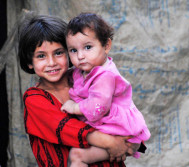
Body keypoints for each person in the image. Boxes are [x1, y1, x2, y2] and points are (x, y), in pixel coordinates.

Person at [18, 14, 144, 167]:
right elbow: (67, 129)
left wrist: (130, 140)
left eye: (58, 53)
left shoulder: (86, 81)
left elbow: (120, 111)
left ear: (70, 53)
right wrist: (111, 142)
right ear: (29, 62)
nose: (51, 63)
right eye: (41, 56)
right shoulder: (34, 98)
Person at [61, 12, 151, 166]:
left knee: (77, 155)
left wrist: (75, 107)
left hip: (120, 132)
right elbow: (73, 79)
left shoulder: (105, 76)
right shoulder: (82, 70)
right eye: (73, 50)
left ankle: (128, 146)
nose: (80, 56)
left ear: (106, 46)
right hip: (108, 129)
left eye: (88, 47)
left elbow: (99, 107)